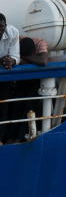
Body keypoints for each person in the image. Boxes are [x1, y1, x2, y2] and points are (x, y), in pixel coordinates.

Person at [6, 36, 48, 144]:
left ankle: (19, 138)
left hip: (34, 79)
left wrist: (23, 58)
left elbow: (43, 61)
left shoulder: (40, 43)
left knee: (30, 108)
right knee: (17, 106)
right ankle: (11, 137)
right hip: (21, 78)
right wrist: (33, 60)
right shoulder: (16, 40)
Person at [0, 13, 19, 145]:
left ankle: (0, 139)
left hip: (4, 76)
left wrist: (10, 60)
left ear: (5, 26)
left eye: (1, 27)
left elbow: (15, 55)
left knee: (3, 107)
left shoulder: (12, 32)